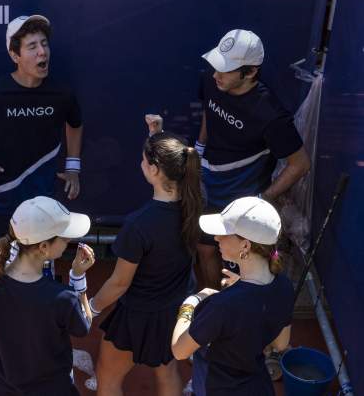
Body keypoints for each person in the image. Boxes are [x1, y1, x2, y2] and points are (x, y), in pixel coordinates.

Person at [0, 14, 83, 266]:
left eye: (44, 44)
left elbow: (75, 124)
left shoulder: (62, 93)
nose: (42, 52)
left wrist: (73, 167)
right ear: (15, 56)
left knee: (39, 271)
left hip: (42, 204)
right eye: (32, 46)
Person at [195, 29, 310, 289]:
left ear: (250, 72)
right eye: (216, 66)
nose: (216, 75)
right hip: (207, 182)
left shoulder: (271, 114)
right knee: (204, 250)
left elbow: (300, 164)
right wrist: (199, 149)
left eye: (225, 70)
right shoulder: (213, 79)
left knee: (245, 262)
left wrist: (264, 198)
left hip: (241, 196)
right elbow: (208, 111)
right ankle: (213, 303)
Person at [89, 132, 202, 396]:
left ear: (154, 169)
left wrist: (91, 307)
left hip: (137, 316)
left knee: (107, 376)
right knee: (167, 371)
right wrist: (156, 134)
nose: (140, 163)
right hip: (174, 313)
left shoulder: (138, 225)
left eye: (143, 160)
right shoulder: (195, 204)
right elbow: (174, 158)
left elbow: (118, 284)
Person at [0, 196, 95, 395]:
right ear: (43, 247)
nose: (68, 242)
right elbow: (84, 325)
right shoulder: (63, 297)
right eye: (64, 238)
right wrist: (77, 277)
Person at [171, 196, 294, 396]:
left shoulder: (221, 306)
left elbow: (179, 350)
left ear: (245, 246)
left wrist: (190, 303)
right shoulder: (285, 286)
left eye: (224, 233)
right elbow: (280, 343)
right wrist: (241, 285)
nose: (217, 238)